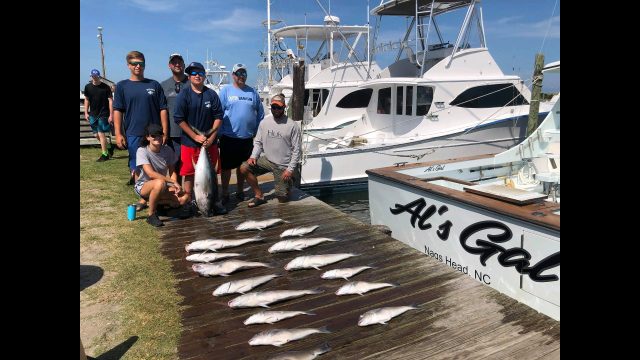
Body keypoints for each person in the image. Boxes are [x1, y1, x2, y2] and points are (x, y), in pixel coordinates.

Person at [175, 61, 226, 215]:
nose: (197, 76)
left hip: (209, 142)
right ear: (189, 76)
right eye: (193, 73)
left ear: (205, 76)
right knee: (189, 174)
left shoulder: (211, 94)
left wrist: (211, 137)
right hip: (189, 142)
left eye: (200, 73)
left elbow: (219, 117)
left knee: (211, 174)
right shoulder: (184, 94)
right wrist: (195, 136)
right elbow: (179, 119)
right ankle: (190, 201)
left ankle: (214, 201)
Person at [113, 50, 169, 187]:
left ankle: (156, 191)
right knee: (137, 163)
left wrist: (165, 131)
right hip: (133, 132)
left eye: (141, 63)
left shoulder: (154, 85)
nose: (138, 66)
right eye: (134, 63)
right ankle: (141, 194)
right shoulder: (121, 86)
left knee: (155, 163)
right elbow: (118, 111)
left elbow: (163, 109)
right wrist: (119, 133)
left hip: (154, 134)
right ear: (128, 65)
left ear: (145, 64)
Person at [240, 94, 301, 208]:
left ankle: (289, 183)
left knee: (282, 199)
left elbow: (297, 150)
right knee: (244, 168)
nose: (276, 110)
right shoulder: (264, 122)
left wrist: (290, 169)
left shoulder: (292, 125)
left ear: (284, 107)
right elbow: (258, 142)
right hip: (268, 160)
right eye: (274, 107)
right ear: (270, 107)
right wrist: (253, 156)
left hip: (283, 165)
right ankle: (259, 195)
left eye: (279, 107)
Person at [218, 63, 265, 204]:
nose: (241, 76)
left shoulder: (253, 92)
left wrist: (257, 132)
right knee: (226, 168)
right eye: (238, 73)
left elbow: (260, 114)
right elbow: (218, 114)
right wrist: (218, 133)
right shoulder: (226, 91)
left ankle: (239, 191)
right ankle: (225, 192)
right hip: (228, 137)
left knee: (242, 168)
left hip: (247, 138)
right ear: (233, 75)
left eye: (244, 73)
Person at [134, 124, 189, 227]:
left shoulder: (167, 150)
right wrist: (173, 182)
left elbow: (172, 171)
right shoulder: (142, 151)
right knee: (160, 183)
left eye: (159, 135)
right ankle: (151, 215)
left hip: (162, 186)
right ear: (148, 137)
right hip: (143, 186)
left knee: (185, 197)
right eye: (153, 136)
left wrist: (176, 186)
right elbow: (150, 173)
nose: (157, 138)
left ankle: (154, 202)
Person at [160, 53, 189, 185]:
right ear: (169, 65)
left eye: (180, 62)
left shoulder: (192, 83)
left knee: (190, 166)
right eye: (174, 62)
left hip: (191, 134)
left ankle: (190, 194)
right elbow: (161, 110)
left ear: (184, 64)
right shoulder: (163, 85)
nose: (177, 64)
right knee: (174, 165)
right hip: (171, 134)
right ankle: (177, 191)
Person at [84, 69, 114, 162]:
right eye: (93, 76)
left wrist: (111, 114)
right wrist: (86, 112)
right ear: (91, 76)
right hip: (93, 113)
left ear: (99, 76)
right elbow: (87, 99)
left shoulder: (106, 87)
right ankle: (109, 147)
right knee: (96, 134)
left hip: (104, 113)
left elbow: (110, 101)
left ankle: (104, 154)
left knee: (101, 133)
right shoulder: (88, 87)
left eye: (96, 76)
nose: (95, 77)